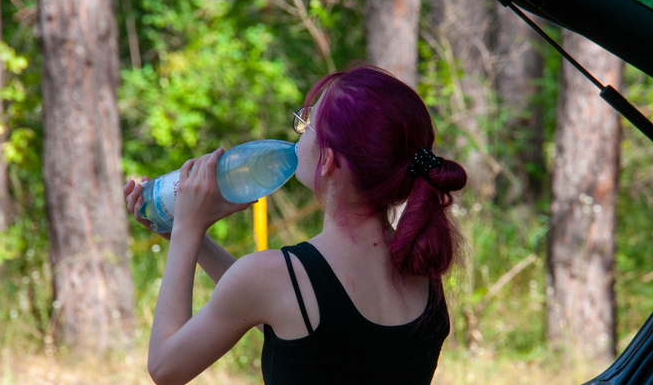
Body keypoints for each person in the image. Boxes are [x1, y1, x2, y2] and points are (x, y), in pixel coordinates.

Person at [123, 65, 467, 385]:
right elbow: (305, 329)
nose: (298, 133)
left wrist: (187, 231)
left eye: (306, 124)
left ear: (328, 161)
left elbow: (165, 366)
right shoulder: (424, 273)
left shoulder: (272, 278)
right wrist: (180, 230)